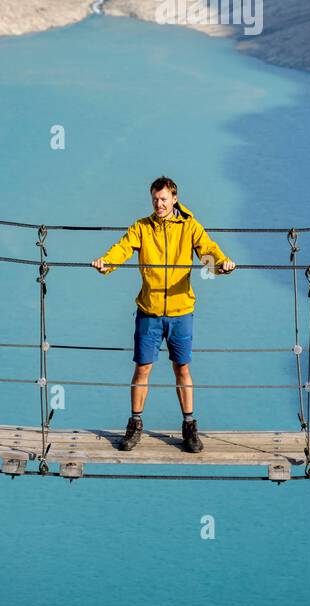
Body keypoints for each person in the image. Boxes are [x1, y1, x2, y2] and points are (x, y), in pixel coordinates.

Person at [91, 176, 235, 453]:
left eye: (164, 199)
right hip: (149, 311)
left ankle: (190, 427)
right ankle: (134, 425)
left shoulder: (189, 227)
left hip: (182, 311)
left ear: (174, 199)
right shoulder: (141, 228)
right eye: (155, 199)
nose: (159, 204)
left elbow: (206, 252)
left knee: (182, 368)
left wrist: (221, 265)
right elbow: (122, 249)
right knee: (143, 368)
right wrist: (106, 263)